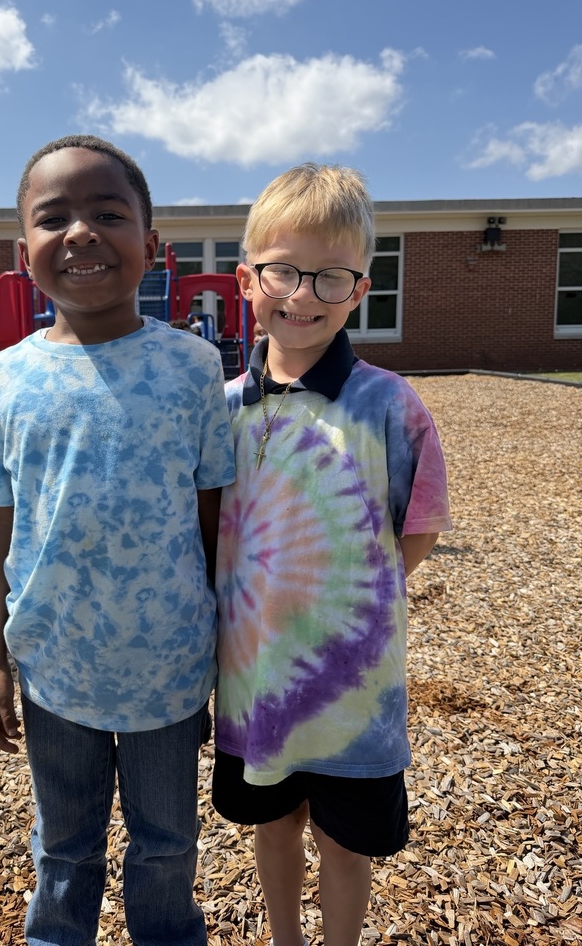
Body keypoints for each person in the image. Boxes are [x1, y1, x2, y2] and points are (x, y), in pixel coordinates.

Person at [0, 135, 235, 946]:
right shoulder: (0, 379)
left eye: (108, 212)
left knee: (168, 846)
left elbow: (215, 518)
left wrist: (227, 647)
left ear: (151, 242)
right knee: (64, 847)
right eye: (54, 217)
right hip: (54, 668)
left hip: (171, 668)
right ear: (23, 251)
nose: (80, 232)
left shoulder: (193, 368)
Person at [211, 163, 452, 946]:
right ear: (248, 279)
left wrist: (355, 594)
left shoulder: (390, 406)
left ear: (360, 289)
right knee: (273, 829)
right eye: (283, 270)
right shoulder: (221, 411)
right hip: (255, 687)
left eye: (330, 276)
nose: (304, 294)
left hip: (355, 697)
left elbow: (418, 526)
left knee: (346, 843)